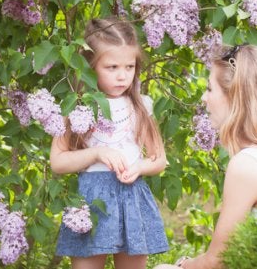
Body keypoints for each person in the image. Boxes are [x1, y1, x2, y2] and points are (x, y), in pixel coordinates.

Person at [155, 44, 257, 269]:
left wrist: (180, 265)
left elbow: (218, 261)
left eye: (210, 89)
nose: (204, 98)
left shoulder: (247, 165)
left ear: (235, 97)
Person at [50, 17, 169, 269]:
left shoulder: (141, 106)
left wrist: (139, 167)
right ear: (90, 66)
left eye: (129, 67)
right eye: (112, 67)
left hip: (132, 199)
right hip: (91, 202)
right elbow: (58, 162)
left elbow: (159, 160)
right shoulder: (76, 106)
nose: (122, 76)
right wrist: (97, 153)